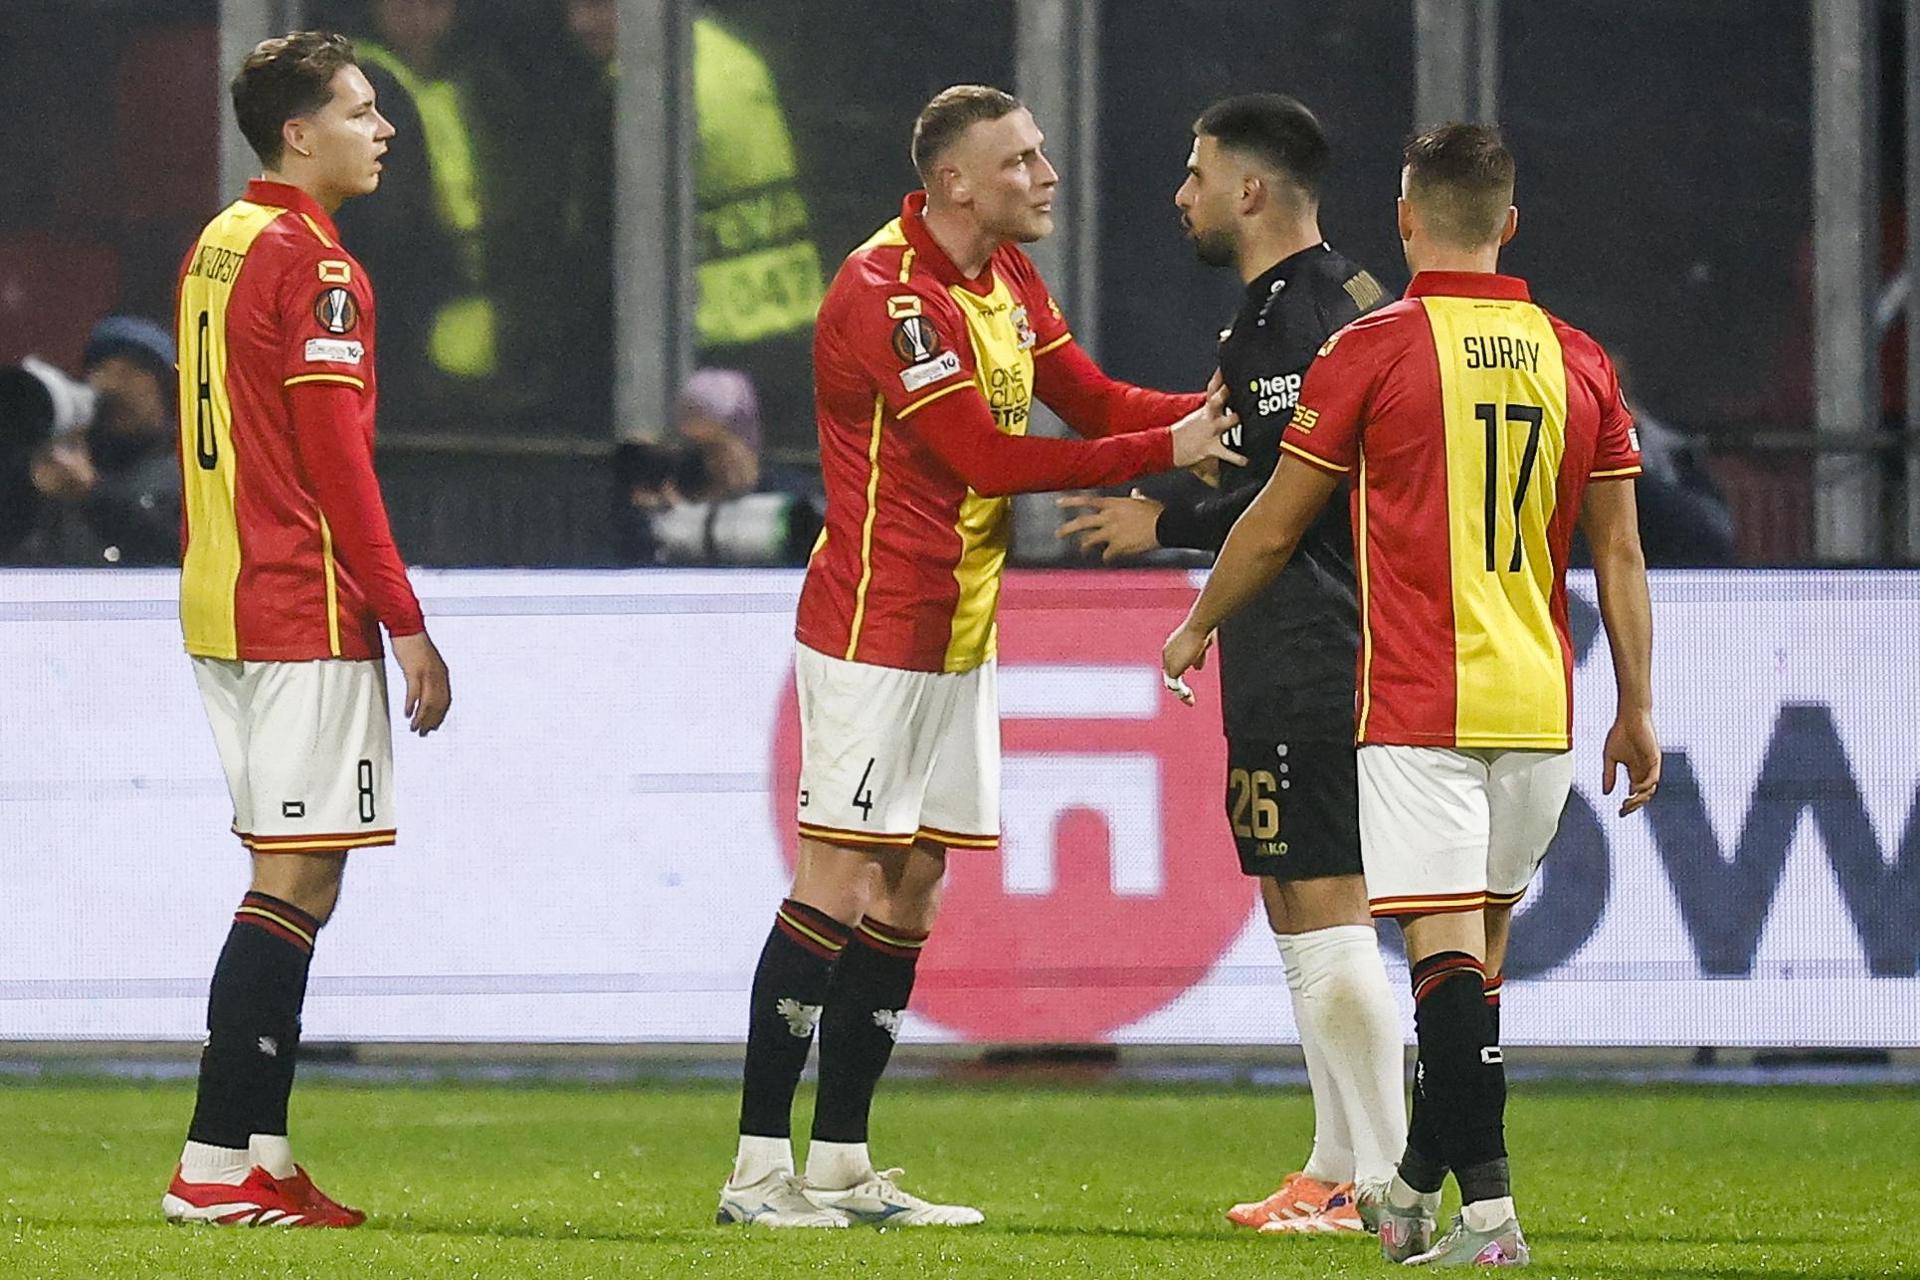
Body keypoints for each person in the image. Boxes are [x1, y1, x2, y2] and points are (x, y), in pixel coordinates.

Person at [719, 84, 1241, 1230]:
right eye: (1021, 159)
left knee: (914, 886)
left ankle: (843, 1162)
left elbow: (1088, 397)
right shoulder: (887, 293)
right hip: (875, 626)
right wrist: (1168, 447)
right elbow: (981, 459)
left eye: (1042, 152)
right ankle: (758, 1171)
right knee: (840, 879)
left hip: (958, 630)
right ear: (955, 180)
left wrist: (1214, 414)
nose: (1046, 173)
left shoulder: (1003, 274)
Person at [1162, 123, 1660, 1267]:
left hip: (1417, 704)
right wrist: (1637, 706)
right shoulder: (1579, 357)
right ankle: (1410, 1181)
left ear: (1403, 219)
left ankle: (1487, 1220)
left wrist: (1197, 624)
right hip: (1542, 704)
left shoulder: (1375, 350)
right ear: (1510, 225)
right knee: (1472, 985)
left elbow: (1277, 518)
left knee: (1444, 971)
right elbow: (1621, 551)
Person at [1057, 93, 1406, 1236]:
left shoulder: (1290, 317)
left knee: (1325, 892)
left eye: (1197, 171)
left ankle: (1377, 1176)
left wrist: (1164, 528)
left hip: (1312, 631)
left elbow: (1301, 492)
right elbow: (1278, 461)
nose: (1182, 193)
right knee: (1298, 890)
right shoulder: (1346, 296)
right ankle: (1335, 1158)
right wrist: (1165, 493)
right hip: (1329, 629)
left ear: (1252, 190)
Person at [160, 31, 452, 1229]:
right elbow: (337, 459)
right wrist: (409, 621)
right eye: (362, 110)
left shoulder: (219, 242)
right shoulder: (320, 268)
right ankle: (214, 1163)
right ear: (300, 132)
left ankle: (262, 1153)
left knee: (292, 873)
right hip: (300, 602)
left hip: (220, 592)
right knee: (293, 880)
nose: (383, 130)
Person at [19, 316, 182, 566]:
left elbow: (174, 549)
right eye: (104, 370)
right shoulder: (68, 456)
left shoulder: (185, 468)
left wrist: (92, 495)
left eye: (131, 373)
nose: (114, 386)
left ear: (163, 387)